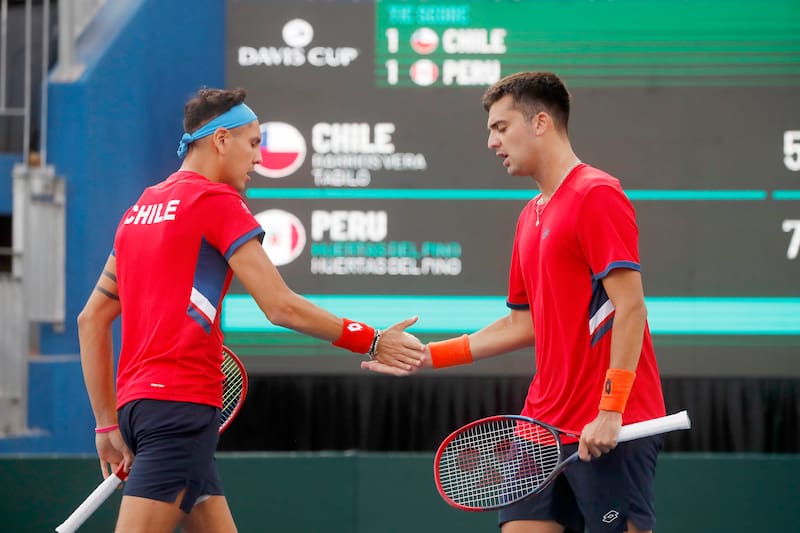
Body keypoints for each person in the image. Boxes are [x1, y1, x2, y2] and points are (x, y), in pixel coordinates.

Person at [77, 87, 424, 533]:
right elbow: (281, 308)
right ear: (221, 139)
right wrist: (372, 339)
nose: (259, 158)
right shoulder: (217, 203)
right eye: (254, 142)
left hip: (137, 408)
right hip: (180, 406)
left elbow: (91, 320)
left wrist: (106, 425)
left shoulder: (138, 212)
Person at [362, 71, 666, 533]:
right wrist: (427, 355)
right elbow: (522, 325)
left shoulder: (596, 193)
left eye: (501, 127)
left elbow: (631, 307)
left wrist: (610, 410)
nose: (491, 141)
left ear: (541, 122)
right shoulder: (530, 216)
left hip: (610, 423)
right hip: (540, 424)